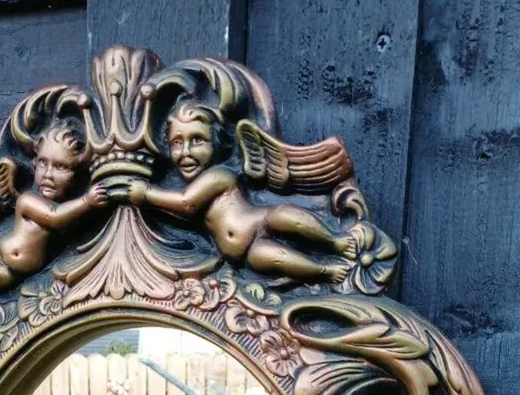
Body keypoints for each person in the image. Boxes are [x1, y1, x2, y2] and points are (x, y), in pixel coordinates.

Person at [125, 103, 356, 283]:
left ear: (217, 144)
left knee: (286, 216)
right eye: (176, 143)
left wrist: (147, 194)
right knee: (280, 259)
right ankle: (323, 271)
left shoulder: (218, 175)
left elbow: (187, 204)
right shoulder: (190, 184)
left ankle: (334, 242)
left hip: (258, 222)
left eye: (197, 140)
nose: (185, 152)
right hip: (244, 254)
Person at [0, 125, 108, 303]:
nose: (48, 174)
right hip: (1, 244)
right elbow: (54, 217)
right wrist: (87, 201)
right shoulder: (28, 199)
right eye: (42, 162)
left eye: (61, 167)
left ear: (77, 175)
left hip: (14, 271)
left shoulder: (72, 210)